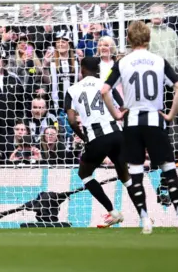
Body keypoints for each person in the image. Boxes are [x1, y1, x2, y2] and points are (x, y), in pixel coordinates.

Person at [100, 21, 178, 234]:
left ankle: (145, 220)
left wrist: (117, 114)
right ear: (149, 39)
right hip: (155, 121)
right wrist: (170, 115)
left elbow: (104, 90)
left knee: (136, 172)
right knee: (168, 169)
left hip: (132, 122)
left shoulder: (123, 62)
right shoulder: (159, 61)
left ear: (128, 39)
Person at [64, 57, 132, 228]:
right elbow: (123, 107)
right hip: (116, 133)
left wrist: (84, 137)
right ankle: (144, 213)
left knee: (84, 174)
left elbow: (72, 121)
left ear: (81, 69)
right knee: (124, 174)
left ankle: (113, 212)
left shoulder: (72, 90)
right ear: (98, 69)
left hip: (96, 137)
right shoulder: (105, 84)